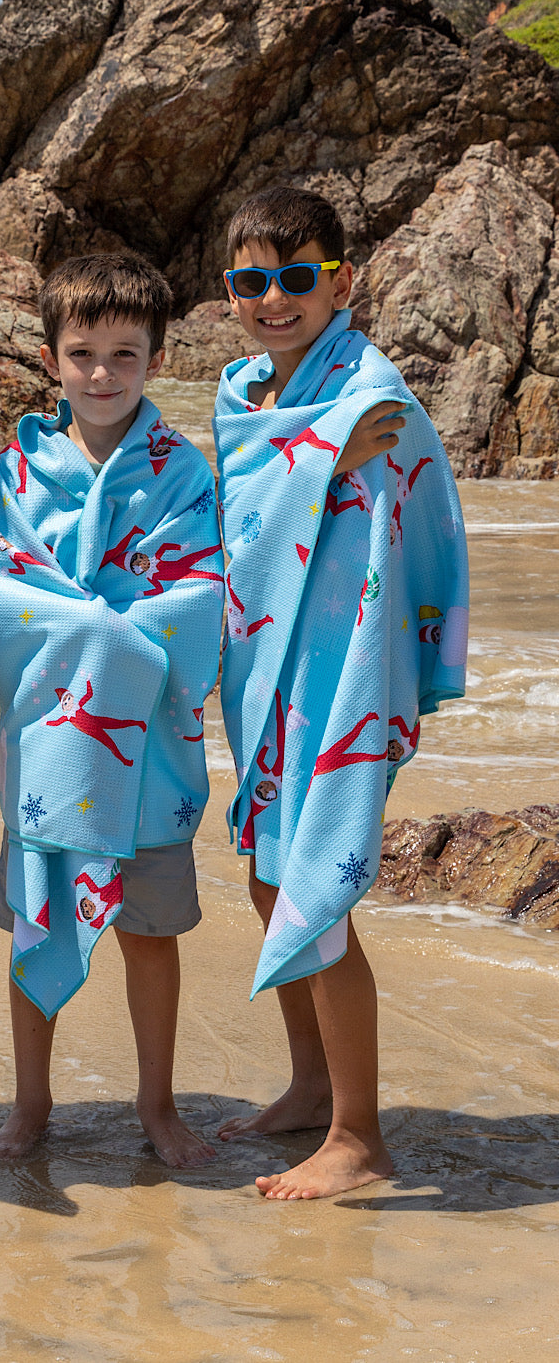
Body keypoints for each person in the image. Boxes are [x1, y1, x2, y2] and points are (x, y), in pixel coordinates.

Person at [214, 186, 468, 1198]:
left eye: (297, 276)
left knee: (316, 887)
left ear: (340, 282)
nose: (275, 298)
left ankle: (359, 1139)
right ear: (228, 295)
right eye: (251, 280)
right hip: (262, 662)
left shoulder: (370, 388)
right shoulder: (245, 396)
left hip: (341, 665)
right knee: (269, 878)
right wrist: (309, 460)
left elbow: (410, 493)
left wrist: (311, 459)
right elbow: (241, 509)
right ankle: (311, 1086)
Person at [0, 254, 225, 1168]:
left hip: (147, 750)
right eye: (83, 352)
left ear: (157, 358)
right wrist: (99, 627)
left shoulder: (180, 471)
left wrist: (91, 629)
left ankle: (156, 1104)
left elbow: (198, 597)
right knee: (37, 920)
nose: (103, 373)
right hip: (50, 743)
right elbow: (3, 589)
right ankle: (30, 1103)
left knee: (150, 935)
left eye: (126, 353)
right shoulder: (20, 467)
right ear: (50, 357)